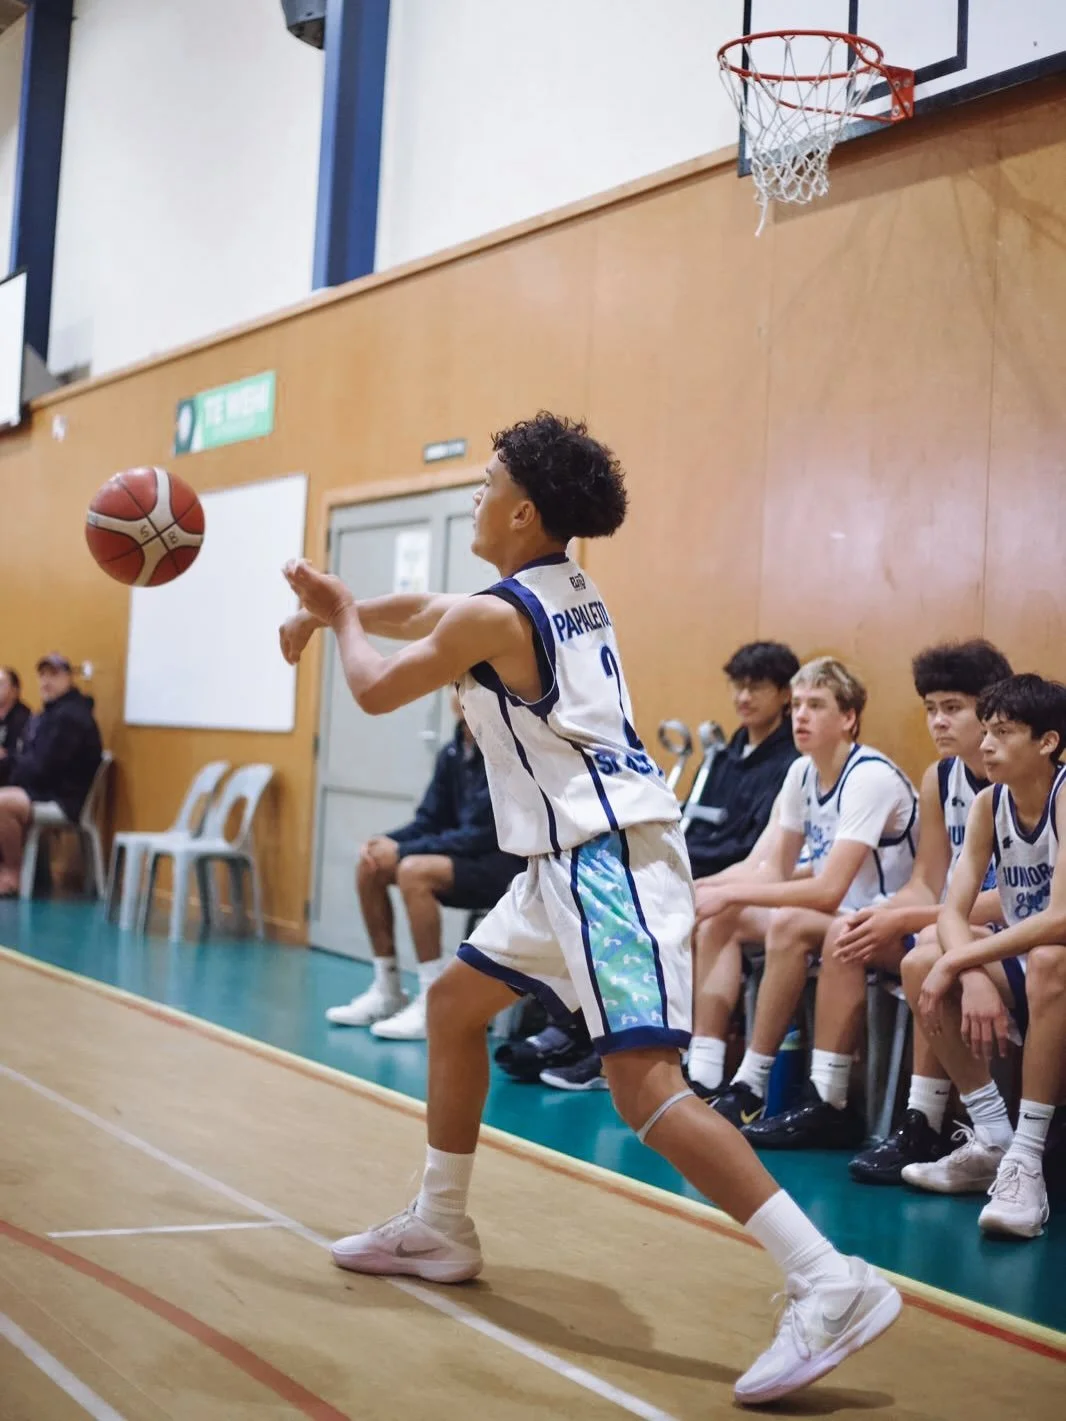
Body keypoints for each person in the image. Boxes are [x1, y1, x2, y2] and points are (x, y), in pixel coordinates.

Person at [279, 412, 900, 1406]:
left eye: (487, 482)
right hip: (558, 862)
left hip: (604, 861)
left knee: (644, 1088)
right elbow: (425, 607)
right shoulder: (558, 585)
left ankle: (830, 1279)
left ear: (523, 509)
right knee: (453, 1007)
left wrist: (340, 620)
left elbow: (377, 685)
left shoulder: (501, 614)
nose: (477, 494)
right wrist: (334, 607)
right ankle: (441, 1222)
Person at [694, 658, 918, 1137]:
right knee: (723, 919)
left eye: (816, 705)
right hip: (842, 917)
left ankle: (770, 1087)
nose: (800, 716)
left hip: (894, 922)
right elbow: (775, 872)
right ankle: (705, 1072)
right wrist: (712, 891)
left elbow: (828, 890)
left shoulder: (869, 777)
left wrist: (729, 892)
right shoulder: (801, 773)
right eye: (797, 705)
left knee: (788, 921)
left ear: (848, 718)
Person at [901, 674, 1066, 1239]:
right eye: (987, 731)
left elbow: (1061, 918)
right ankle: (994, 1138)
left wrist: (958, 960)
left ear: (1047, 742)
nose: (987, 744)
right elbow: (953, 910)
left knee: (1049, 958)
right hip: (1035, 960)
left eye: (1004, 733)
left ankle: (1027, 1158)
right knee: (920, 962)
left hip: (1055, 959)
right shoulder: (989, 803)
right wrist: (966, 970)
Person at [844, 640, 1012, 1182]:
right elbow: (925, 881)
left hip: (1006, 929)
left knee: (925, 948)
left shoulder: (1026, 778)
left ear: (990, 709)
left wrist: (913, 920)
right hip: (955, 922)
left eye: (952, 708)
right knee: (848, 934)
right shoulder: (940, 778)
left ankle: (928, 1117)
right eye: (930, 708)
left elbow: (1022, 897)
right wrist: (886, 911)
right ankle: (827, 1097)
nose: (938, 722)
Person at [325, 689, 524, 1040]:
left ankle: (433, 1001)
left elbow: (481, 835)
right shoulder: (452, 752)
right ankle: (387, 989)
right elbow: (429, 820)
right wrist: (385, 843)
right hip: (462, 858)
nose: (458, 693)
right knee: (370, 865)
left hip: (499, 865)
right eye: (455, 686)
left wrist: (402, 852)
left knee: (412, 872)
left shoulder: (502, 752)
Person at [685, 641, 800, 882]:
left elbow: (755, 850)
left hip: (737, 880)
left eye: (757, 687)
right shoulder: (720, 757)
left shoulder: (794, 764)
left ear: (786, 694)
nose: (744, 697)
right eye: (739, 686)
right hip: (688, 868)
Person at [0, 654, 102, 897]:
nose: (46, 682)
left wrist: (12, 766)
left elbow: (43, 768)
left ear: (69, 678)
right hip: (48, 789)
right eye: (43, 675)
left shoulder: (70, 717)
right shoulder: (51, 714)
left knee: (3, 803)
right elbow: (32, 760)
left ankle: (13, 873)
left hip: (63, 798)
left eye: (54, 675)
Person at [0, 668, 31, 788]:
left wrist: (6, 755)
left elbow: (23, 757)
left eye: (1, 684)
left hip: (12, 782)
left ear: (14, 691)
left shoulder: (24, 718)